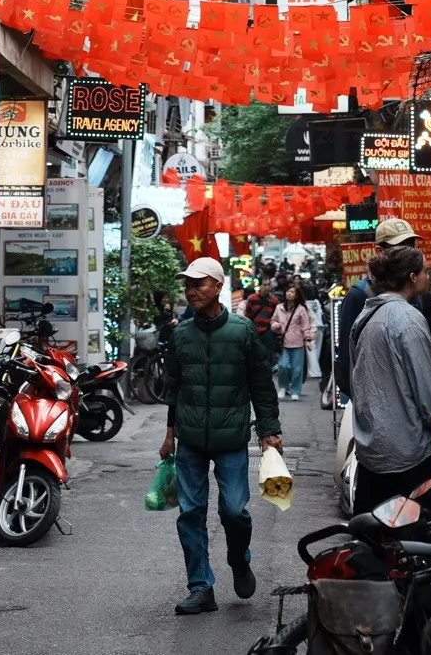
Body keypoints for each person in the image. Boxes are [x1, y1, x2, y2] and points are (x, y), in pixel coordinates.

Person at [161, 256, 283, 616]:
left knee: (234, 510)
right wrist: (170, 435)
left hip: (232, 440)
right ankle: (201, 587)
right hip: (190, 441)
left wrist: (269, 431)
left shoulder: (243, 331)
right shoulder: (181, 334)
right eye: (188, 285)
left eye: (199, 284)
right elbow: (174, 389)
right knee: (191, 512)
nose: (191, 291)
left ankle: (239, 559)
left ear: (217, 286)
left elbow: (262, 386)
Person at [346, 244, 431, 515]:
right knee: (419, 538)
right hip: (408, 451)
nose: (428, 278)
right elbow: (427, 389)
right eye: (425, 272)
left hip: (373, 449)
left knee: (371, 536)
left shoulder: (367, 315)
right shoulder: (407, 318)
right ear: (412, 277)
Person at [334, 217, 431, 395]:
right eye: (399, 247)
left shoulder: (421, 295)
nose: (408, 253)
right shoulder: (359, 295)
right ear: (380, 251)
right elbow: (348, 358)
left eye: (411, 246)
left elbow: (430, 349)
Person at [270, 283, 315, 400]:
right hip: (283, 343)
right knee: (283, 366)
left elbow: (305, 326)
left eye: (292, 292)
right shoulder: (279, 308)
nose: (289, 293)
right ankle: (283, 387)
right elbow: (273, 321)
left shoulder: (301, 309)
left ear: (296, 296)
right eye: (288, 291)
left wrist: (308, 340)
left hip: (298, 343)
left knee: (297, 369)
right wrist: (276, 325)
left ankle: (295, 390)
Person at [242, 274, 281, 366]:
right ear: (259, 286)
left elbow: (276, 317)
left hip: (268, 332)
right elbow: (247, 316)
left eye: (268, 285)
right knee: (254, 358)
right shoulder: (252, 299)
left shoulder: (274, 301)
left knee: (268, 358)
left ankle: (266, 377)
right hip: (254, 332)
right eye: (264, 285)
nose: (267, 287)